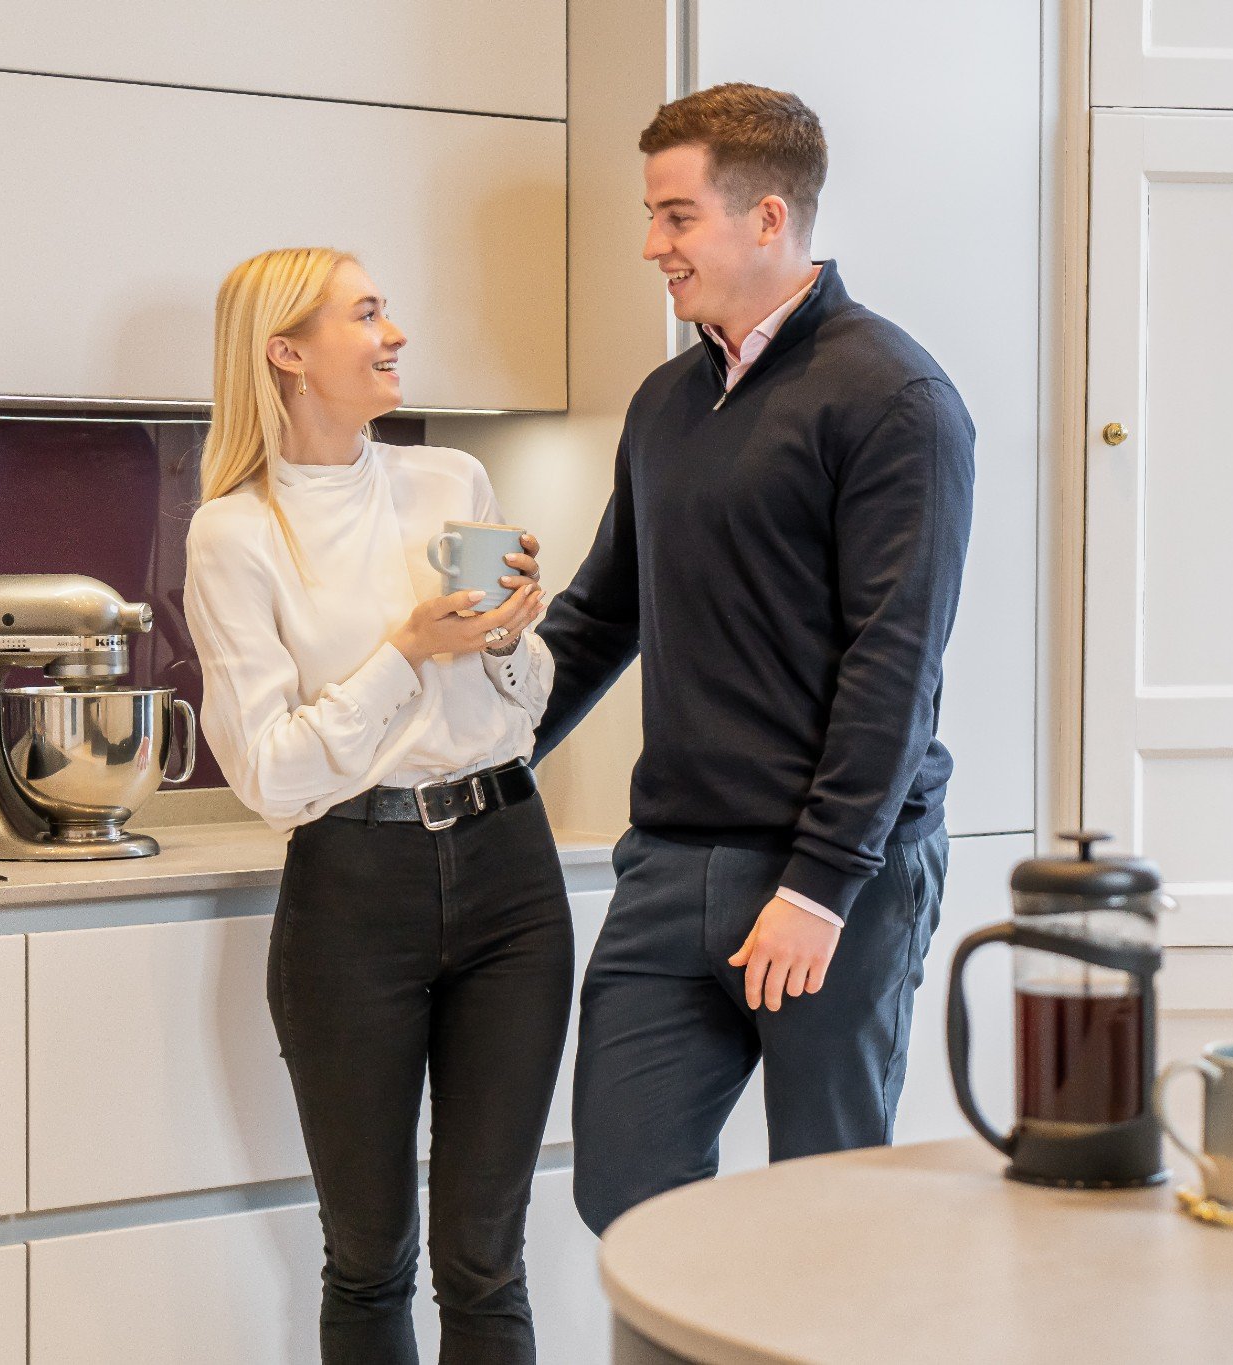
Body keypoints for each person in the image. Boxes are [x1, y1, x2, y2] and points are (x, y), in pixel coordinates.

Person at [534, 84, 977, 1235]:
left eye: (675, 218)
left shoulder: (894, 398)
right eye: (652, 216)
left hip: (834, 876)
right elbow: (597, 618)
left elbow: (894, 665)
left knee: (826, 1215)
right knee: (626, 1199)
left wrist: (820, 886)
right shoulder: (666, 403)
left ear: (766, 217)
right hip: (672, 864)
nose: (651, 247)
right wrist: (475, 754)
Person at [183, 246, 568, 1364]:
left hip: (510, 870)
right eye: (365, 313)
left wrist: (504, 637)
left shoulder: (448, 483)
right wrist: (407, 651)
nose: (393, 332)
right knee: (369, 1260)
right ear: (287, 353)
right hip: (353, 893)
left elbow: (525, 707)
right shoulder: (236, 533)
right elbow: (269, 776)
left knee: (487, 1261)